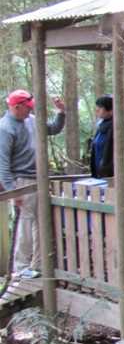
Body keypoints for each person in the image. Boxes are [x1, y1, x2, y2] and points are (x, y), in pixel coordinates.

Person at [0, 89, 65, 276]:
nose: (30, 110)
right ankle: (20, 268)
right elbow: (2, 164)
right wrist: (13, 191)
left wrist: (61, 112)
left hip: (39, 179)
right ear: (16, 107)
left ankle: (37, 264)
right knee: (25, 223)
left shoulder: (31, 120)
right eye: (27, 108)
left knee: (41, 222)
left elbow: (52, 129)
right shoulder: (5, 128)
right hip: (21, 181)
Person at [89, 95, 124, 178]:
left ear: (111, 110)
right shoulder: (101, 127)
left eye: (100, 107)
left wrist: (110, 169)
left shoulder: (123, 127)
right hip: (99, 176)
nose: (97, 110)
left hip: (116, 177)